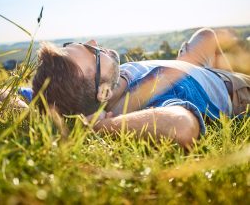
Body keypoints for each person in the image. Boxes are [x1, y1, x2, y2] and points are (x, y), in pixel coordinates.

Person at [21, 28, 250, 147]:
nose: (93, 42)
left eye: (75, 45)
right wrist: (101, 126)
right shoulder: (148, 100)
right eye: (93, 53)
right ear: (104, 93)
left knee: (206, 35)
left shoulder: (59, 95)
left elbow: (4, 94)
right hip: (233, 88)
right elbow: (181, 127)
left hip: (188, 65)